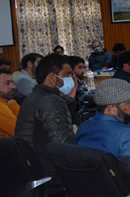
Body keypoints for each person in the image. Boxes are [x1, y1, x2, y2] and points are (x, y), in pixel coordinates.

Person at [15, 53, 77, 195]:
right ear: (52, 77)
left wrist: (70, 98)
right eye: (67, 74)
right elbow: (63, 145)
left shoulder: (35, 95)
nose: (72, 79)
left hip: (32, 168)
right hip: (49, 176)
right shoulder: (49, 100)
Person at [67, 56, 94, 125]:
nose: (83, 71)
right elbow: (85, 97)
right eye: (80, 68)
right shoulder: (72, 81)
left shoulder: (78, 80)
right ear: (71, 69)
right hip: (81, 115)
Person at [0, 69, 19, 137]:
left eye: (12, 83)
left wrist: (11, 103)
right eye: (7, 83)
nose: (13, 86)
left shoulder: (5, 102)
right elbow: (20, 132)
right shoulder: (1, 108)